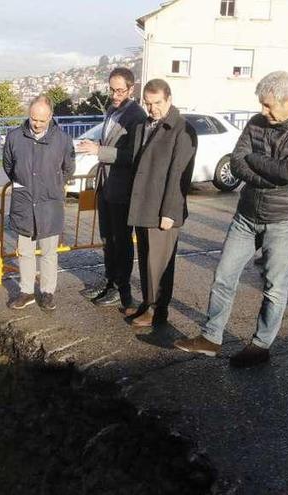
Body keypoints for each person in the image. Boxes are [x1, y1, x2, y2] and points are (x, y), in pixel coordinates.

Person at [174, 71, 288, 367]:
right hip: (246, 215)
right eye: (261, 104)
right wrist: (265, 170)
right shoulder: (257, 123)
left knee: (274, 286)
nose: (262, 111)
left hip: (284, 221)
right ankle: (210, 337)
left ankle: (260, 345)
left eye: (268, 106)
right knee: (223, 276)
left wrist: (256, 163)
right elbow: (236, 161)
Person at [124, 79, 196, 328]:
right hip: (144, 206)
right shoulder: (147, 124)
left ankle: (158, 310)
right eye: (148, 103)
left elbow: (180, 175)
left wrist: (169, 212)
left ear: (169, 99)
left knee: (160, 263)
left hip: (162, 210)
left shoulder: (181, 129)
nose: (152, 108)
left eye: (157, 103)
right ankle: (147, 303)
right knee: (146, 261)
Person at [76, 68, 147, 308]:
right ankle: (108, 281)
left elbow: (133, 155)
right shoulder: (112, 110)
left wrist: (100, 151)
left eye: (120, 90)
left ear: (131, 89)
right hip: (105, 185)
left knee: (121, 241)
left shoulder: (137, 115)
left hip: (122, 188)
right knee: (107, 238)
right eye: (112, 90)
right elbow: (111, 143)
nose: (115, 95)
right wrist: (97, 144)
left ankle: (120, 286)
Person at [2, 95, 76, 311]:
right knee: (24, 250)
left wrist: (52, 186)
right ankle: (26, 291)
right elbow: (8, 166)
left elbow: (68, 169)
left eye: (42, 120)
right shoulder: (15, 137)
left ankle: (47, 292)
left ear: (50, 117)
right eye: (33, 118)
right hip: (24, 203)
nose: (36, 124)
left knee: (48, 252)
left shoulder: (62, 140)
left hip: (50, 204)